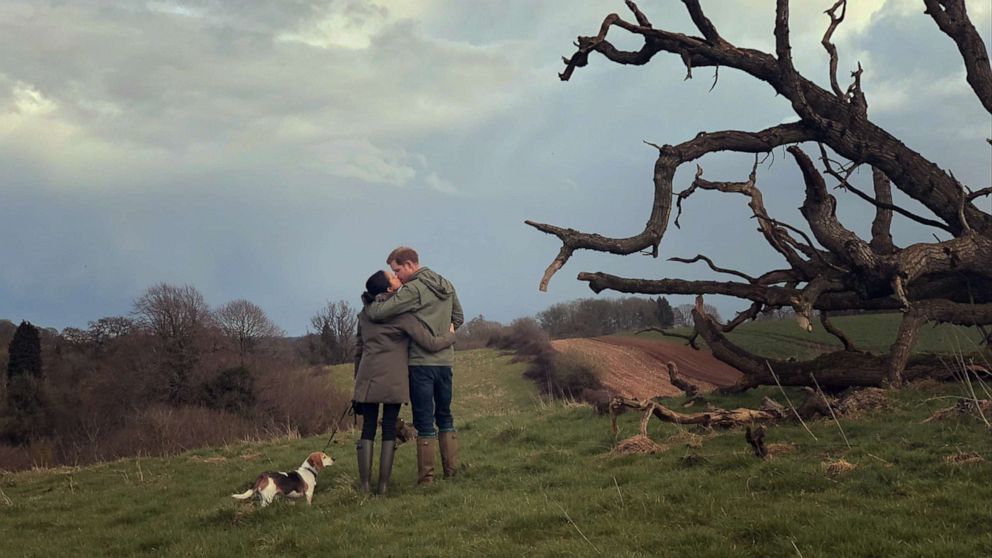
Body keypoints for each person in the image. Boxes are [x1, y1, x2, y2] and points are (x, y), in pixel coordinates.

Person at [353, 269, 457, 495]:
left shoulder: (364, 313)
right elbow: (429, 343)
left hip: (367, 378)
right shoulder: (403, 316)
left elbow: (358, 351)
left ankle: (364, 486)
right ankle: (383, 487)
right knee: (389, 429)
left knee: (368, 429)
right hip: (394, 380)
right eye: (393, 277)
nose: (398, 278)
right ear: (390, 289)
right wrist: (451, 335)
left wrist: (357, 387)